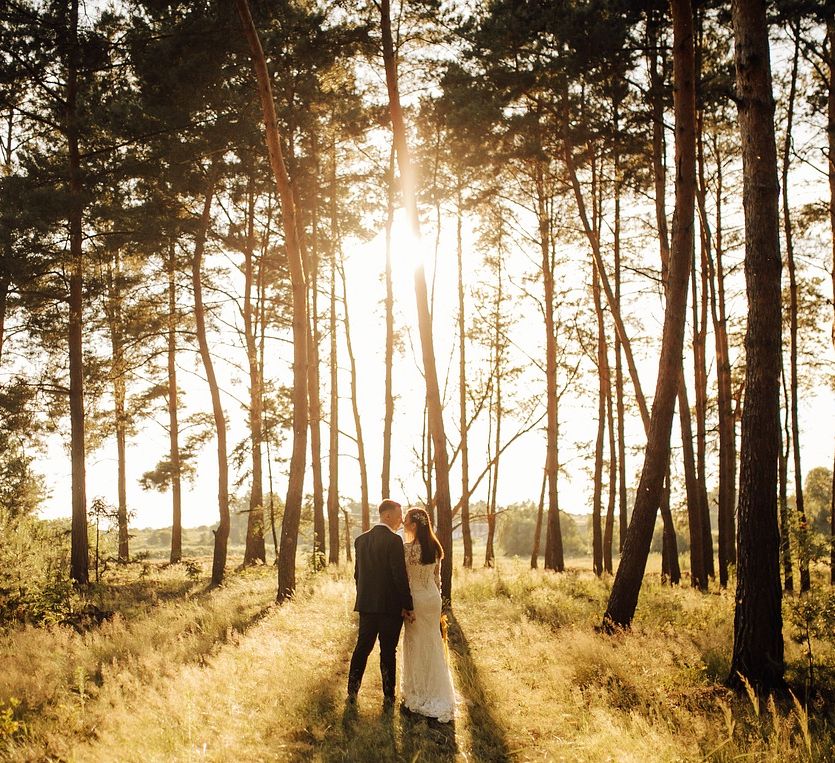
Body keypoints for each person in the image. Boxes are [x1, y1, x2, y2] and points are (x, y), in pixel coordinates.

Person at [347, 498, 414, 709]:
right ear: (387, 515)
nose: (401, 519)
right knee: (388, 651)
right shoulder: (394, 541)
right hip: (390, 608)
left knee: (362, 648)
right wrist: (408, 605)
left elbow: (358, 575)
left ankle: (352, 691)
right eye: (398, 514)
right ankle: (388, 696)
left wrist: (366, 596)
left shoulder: (361, 540)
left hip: (367, 605)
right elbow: (399, 576)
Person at [400, 506, 456, 723]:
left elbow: (405, 579)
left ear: (414, 525)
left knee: (415, 642)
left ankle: (420, 691)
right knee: (432, 642)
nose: (404, 524)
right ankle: (437, 690)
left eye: (406, 521)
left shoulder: (407, 549)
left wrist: (404, 604)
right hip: (433, 599)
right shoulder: (434, 547)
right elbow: (437, 579)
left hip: (416, 600)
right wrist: (440, 605)